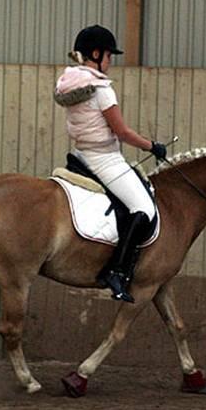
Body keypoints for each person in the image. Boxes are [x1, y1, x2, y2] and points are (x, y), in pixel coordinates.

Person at [54, 25, 167, 302]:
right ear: (96, 54)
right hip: (104, 159)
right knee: (144, 208)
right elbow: (122, 132)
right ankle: (116, 271)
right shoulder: (101, 90)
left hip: (81, 155)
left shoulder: (71, 83)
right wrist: (153, 146)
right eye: (109, 56)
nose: (111, 62)